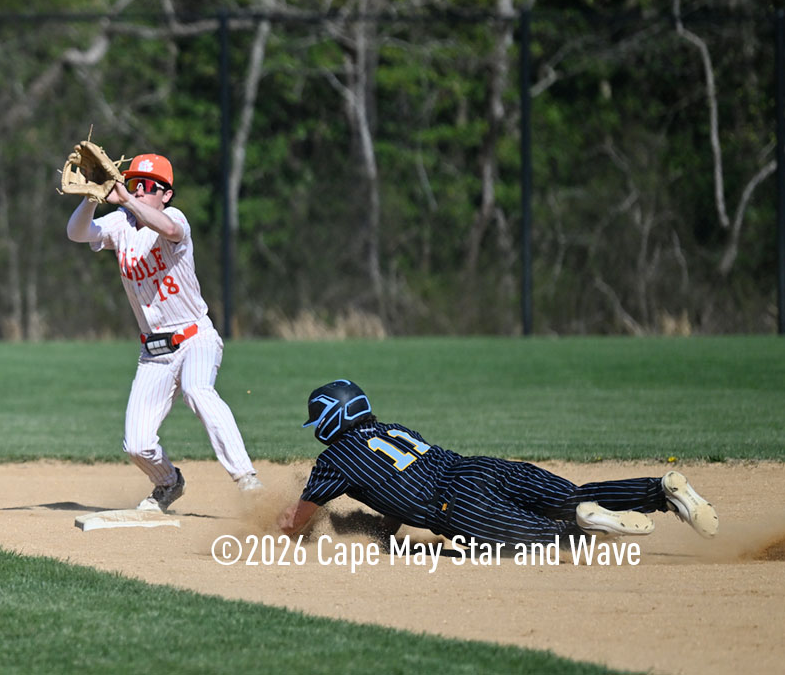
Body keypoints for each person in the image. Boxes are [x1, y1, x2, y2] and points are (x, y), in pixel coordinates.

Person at [277, 379, 718, 545]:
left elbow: (297, 522)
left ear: (330, 421)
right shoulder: (394, 430)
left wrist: (274, 525)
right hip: (480, 468)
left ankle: (587, 525)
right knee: (574, 495)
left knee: (551, 540)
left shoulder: (335, 459)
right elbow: (396, 486)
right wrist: (383, 529)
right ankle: (661, 490)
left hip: (458, 505)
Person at [66, 153, 261, 511]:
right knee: (136, 445)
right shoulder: (121, 224)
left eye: (147, 185)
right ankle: (168, 483)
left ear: (166, 194)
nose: (138, 189)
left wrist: (125, 198)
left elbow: (169, 231)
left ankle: (247, 479)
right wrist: (91, 199)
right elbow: (77, 233)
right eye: (133, 182)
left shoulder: (175, 218)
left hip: (195, 337)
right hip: (153, 354)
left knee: (197, 390)